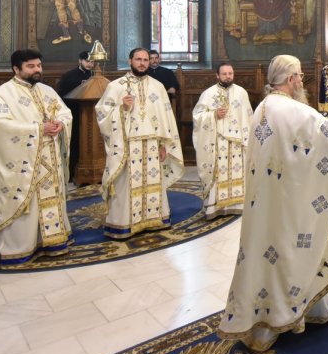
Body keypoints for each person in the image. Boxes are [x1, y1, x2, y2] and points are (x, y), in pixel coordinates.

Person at [218, 55, 328, 354]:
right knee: (297, 251)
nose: (302, 81)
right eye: (300, 76)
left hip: (265, 205)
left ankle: (286, 315)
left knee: (265, 255)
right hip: (289, 204)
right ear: (291, 79)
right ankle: (289, 313)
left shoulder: (263, 107)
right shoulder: (291, 109)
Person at [0, 49, 73, 264]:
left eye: (38, 65)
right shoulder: (1, 95)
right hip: (22, 163)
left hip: (50, 157)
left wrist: (60, 124)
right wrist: (39, 129)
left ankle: (52, 240)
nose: (37, 70)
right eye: (31, 66)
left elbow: (65, 112)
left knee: (49, 200)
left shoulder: (46, 91)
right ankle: (20, 246)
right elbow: (1, 126)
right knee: (26, 203)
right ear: (16, 69)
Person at [95, 48, 184, 239]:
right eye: (138, 59)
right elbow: (102, 113)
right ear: (130, 61)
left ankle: (153, 218)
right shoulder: (116, 86)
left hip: (152, 143)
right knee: (125, 184)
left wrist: (163, 144)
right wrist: (122, 108)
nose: (143, 63)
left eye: (145, 60)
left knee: (153, 181)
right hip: (127, 145)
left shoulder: (158, 86)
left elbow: (165, 117)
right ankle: (123, 223)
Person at [192, 61, 252, 218]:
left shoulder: (241, 93)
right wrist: (213, 115)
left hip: (237, 142)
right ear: (217, 75)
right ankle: (215, 207)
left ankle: (238, 204)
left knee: (239, 172)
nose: (227, 77)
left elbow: (248, 116)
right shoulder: (208, 94)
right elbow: (197, 116)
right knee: (218, 174)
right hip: (217, 142)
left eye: (230, 73)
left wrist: (248, 138)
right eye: (224, 74)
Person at [57, 50, 94, 176]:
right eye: (87, 61)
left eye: (92, 62)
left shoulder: (95, 75)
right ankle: (72, 171)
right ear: (80, 61)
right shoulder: (70, 75)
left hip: (90, 115)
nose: (90, 64)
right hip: (74, 112)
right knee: (75, 141)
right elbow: (62, 94)